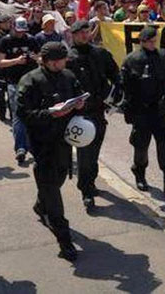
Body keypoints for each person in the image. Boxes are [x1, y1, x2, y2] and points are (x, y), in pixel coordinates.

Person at [17, 42, 85, 261]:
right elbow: (24, 114)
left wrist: (79, 104)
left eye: (62, 60)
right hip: (43, 142)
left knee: (60, 177)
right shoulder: (30, 81)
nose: (60, 64)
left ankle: (40, 204)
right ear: (45, 61)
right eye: (56, 61)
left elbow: (79, 94)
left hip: (64, 141)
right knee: (52, 192)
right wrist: (49, 114)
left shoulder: (68, 76)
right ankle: (64, 240)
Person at [119, 26, 165, 198]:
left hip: (161, 111)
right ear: (142, 42)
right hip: (141, 112)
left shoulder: (164, 56)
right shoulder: (132, 60)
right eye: (149, 41)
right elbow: (124, 87)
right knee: (141, 146)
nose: (153, 44)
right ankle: (140, 173)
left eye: (154, 41)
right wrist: (127, 109)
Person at [66, 20, 119, 210]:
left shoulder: (100, 53)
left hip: (98, 110)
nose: (83, 35)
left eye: (86, 31)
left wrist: (116, 93)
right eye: (79, 32)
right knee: (85, 153)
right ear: (72, 34)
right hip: (80, 113)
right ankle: (86, 191)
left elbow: (115, 74)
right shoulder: (69, 58)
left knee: (94, 151)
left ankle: (90, 182)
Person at [0, 17, 39, 165]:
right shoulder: (5, 41)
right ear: (13, 27)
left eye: (23, 31)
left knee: (34, 115)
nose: (21, 34)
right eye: (18, 31)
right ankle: (20, 148)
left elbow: (41, 58)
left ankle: (33, 145)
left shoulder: (32, 40)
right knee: (18, 115)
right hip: (14, 82)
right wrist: (16, 61)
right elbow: (1, 62)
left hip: (32, 83)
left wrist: (36, 58)